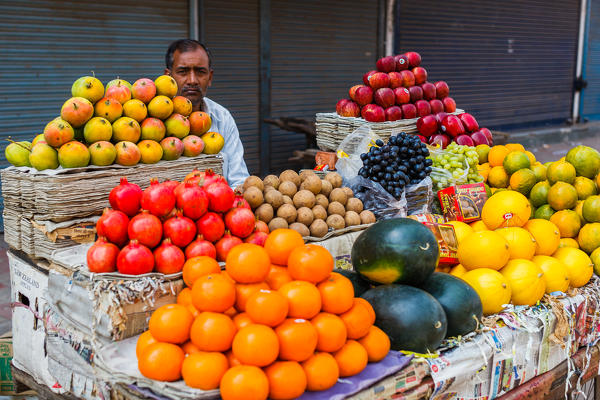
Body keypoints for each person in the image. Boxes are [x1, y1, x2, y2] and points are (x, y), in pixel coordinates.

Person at [165, 39, 249, 188]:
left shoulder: (222, 117)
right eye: (183, 71)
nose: (192, 80)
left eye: (200, 72)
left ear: (210, 77)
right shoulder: (153, 121)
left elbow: (239, 181)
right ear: (168, 77)